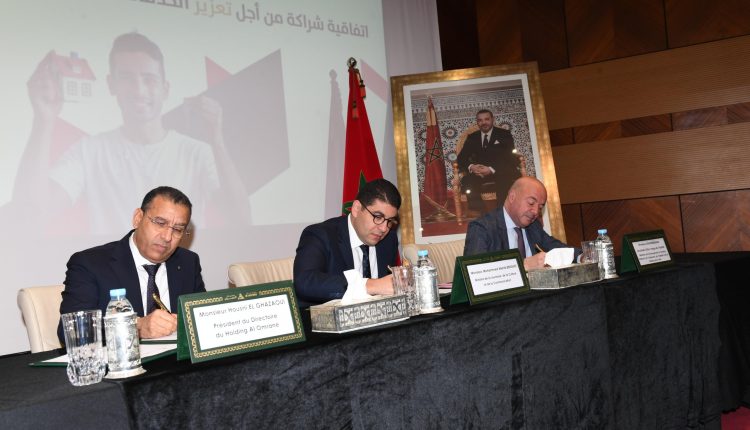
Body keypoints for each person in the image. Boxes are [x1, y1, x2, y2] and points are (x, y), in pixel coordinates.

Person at [16, 32, 249, 234]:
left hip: (182, 272)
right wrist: (43, 121)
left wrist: (217, 141)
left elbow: (241, 218)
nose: (139, 90)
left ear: (165, 88)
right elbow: (32, 214)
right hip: (114, 273)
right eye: (127, 78)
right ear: (111, 84)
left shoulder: (196, 153)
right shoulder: (90, 151)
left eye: (149, 79)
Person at [57, 186, 206, 341]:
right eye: (160, 223)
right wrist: (136, 327)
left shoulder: (188, 262)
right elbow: (72, 331)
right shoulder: (90, 264)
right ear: (138, 218)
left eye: (177, 229)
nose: (167, 237)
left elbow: (204, 320)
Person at [293, 179, 401, 307]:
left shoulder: (389, 240)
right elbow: (305, 282)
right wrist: (371, 285)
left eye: (390, 221)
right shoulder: (320, 235)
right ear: (356, 209)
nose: (383, 228)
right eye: (378, 217)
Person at [464, 176, 580, 270]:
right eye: (531, 203)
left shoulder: (533, 226)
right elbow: (475, 271)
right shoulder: (482, 227)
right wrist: (524, 265)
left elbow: (555, 247)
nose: (535, 212)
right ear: (512, 197)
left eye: (540, 207)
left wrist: (583, 256)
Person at [456, 109, 520, 212]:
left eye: (486, 119)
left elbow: (510, 158)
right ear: (477, 122)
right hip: (479, 173)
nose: (484, 122)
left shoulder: (504, 134)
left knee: (505, 179)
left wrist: (491, 169)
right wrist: (472, 167)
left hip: (500, 171)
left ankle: (503, 212)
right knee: (467, 181)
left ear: (492, 119)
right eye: (480, 120)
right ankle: (481, 213)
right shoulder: (472, 137)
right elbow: (461, 158)